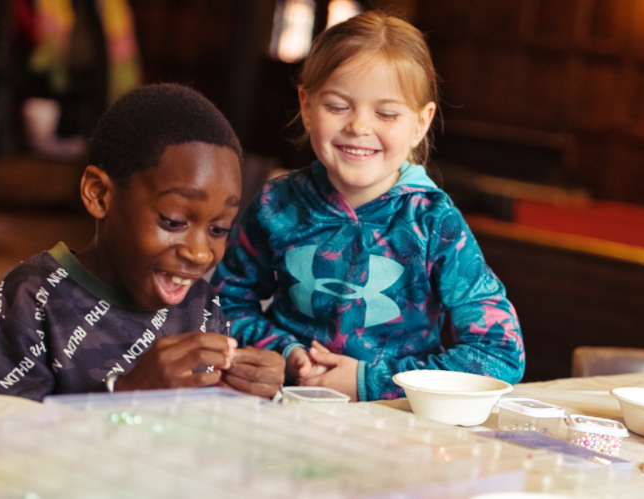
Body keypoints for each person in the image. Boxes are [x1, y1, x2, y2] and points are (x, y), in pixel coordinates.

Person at [211, 11, 525, 402]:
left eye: (386, 113)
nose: (359, 126)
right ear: (306, 106)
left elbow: (499, 353)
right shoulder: (277, 204)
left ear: (420, 124)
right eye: (338, 106)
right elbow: (222, 303)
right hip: (282, 409)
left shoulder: (433, 222)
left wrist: (370, 380)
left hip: (394, 428)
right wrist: (285, 352)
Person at [0, 83, 285, 401]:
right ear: (99, 193)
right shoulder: (31, 297)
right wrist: (126, 392)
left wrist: (249, 391)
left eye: (219, 229)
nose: (201, 253)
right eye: (173, 221)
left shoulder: (201, 306)